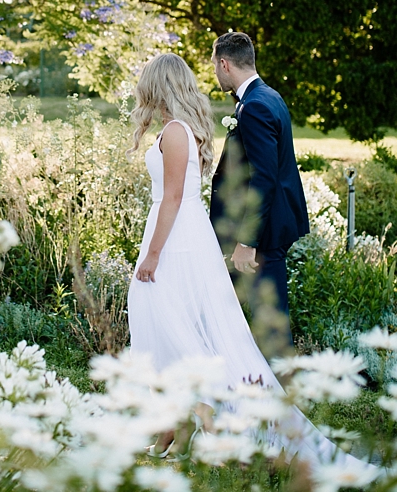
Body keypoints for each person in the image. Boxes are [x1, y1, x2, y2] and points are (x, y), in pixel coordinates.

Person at [126, 52, 367, 470]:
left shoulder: (177, 133)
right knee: (167, 324)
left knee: (172, 327)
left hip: (175, 238)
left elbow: (176, 198)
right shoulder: (180, 129)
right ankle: (173, 430)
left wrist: (152, 255)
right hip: (181, 233)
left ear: (158, 84)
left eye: (145, 80)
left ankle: (207, 415)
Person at [209, 32, 309, 345]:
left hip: (263, 233)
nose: (215, 73)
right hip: (272, 224)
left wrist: (247, 242)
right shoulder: (269, 96)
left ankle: (281, 388)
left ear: (224, 64)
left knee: (271, 320)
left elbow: (264, 178)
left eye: (215, 66)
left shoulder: (254, 107)